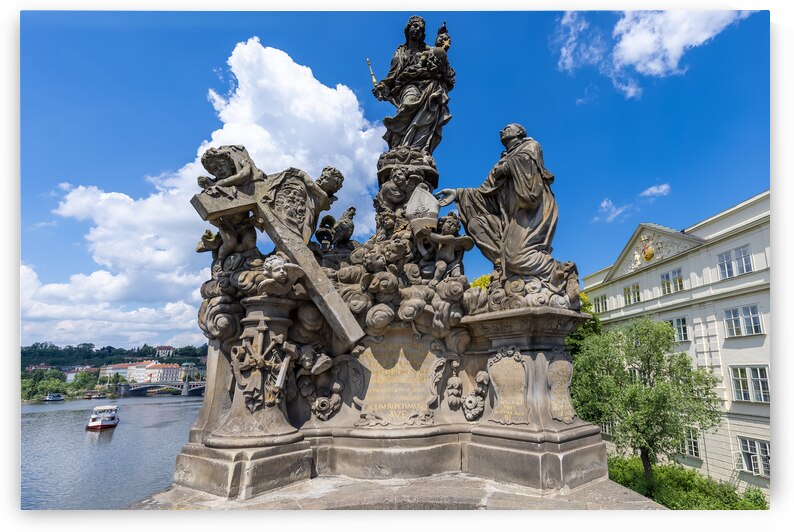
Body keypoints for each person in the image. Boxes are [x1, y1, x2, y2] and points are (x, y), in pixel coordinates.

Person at [436, 123, 558, 281]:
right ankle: (501, 264)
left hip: (533, 211)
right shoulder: (502, 160)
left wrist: (507, 167)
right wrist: (458, 193)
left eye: (508, 128)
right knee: (476, 224)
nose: (502, 130)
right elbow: (484, 194)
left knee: (515, 258)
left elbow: (527, 173)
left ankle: (558, 271)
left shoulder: (530, 145)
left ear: (520, 132)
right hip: (508, 216)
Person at [372, 16, 455, 155]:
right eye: (414, 26)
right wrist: (382, 87)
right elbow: (392, 76)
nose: (417, 30)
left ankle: (418, 150)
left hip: (429, 88)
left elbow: (446, 70)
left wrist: (441, 50)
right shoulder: (400, 52)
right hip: (407, 86)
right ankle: (400, 145)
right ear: (407, 29)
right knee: (408, 105)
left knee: (427, 118)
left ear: (423, 34)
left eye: (420, 29)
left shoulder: (429, 50)